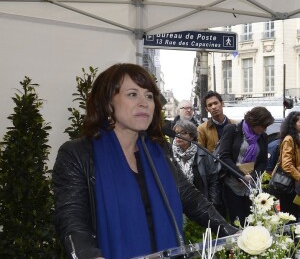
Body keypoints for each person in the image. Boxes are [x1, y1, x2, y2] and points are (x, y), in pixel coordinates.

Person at [52, 63, 237, 259]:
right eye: (132, 94)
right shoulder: (77, 154)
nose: (144, 102)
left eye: (149, 96)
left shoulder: (158, 150)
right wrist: (88, 255)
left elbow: (189, 197)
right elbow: (72, 219)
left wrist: (232, 233)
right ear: (107, 103)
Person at [217, 106, 274, 226]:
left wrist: (252, 176)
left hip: (251, 186)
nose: (264, 129)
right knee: (237, 223)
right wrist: (241, 176)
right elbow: (224, 157)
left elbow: (263, 162)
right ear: (254, 122)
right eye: (263, 126)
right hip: (232, 184)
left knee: (252, 221)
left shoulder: (262, 136)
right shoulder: (233, 130)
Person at [197, 90, 236, 218]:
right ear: (206, 109)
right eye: (210, 105)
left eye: (216, 103)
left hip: (233, 172)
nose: (213, 107)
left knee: (235, 209)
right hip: (215, 176)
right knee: (219, 210)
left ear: (222, 104)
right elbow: (200, 154)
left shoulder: (235, 125)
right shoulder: (202, 129)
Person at [172, 119, 221, 210]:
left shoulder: (203, 154)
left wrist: (212, 203)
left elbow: (213, 180)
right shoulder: (169, 153)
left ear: (192, 136)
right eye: (177, 133)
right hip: (175, 204)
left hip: (199, 204)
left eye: (183, 133)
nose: (179, 136)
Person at [278, 111, 300, 220]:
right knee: (290, 216)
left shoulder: (297, 138)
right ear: (293, 124)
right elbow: (286, 164)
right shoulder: (289, 139)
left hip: (295, 184)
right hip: (289, 185)